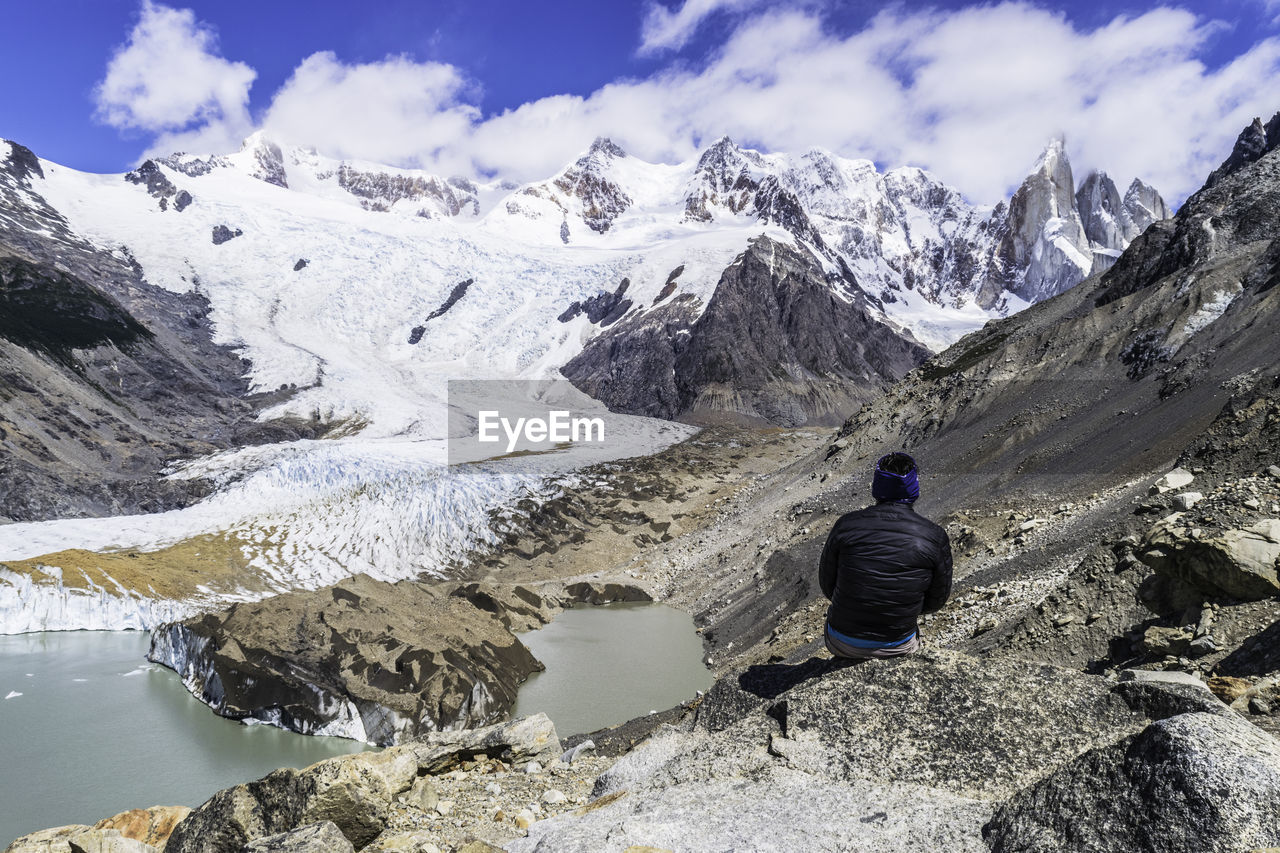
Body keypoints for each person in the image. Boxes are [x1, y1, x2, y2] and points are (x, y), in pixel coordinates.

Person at [818, 451, 952, 659]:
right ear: (913, 487)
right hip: (897, 644)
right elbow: (936, 600)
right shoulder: (934, 536)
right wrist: (903, 608)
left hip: (841, 640)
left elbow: (828, 586)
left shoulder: (846, 525)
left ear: (876, 486)